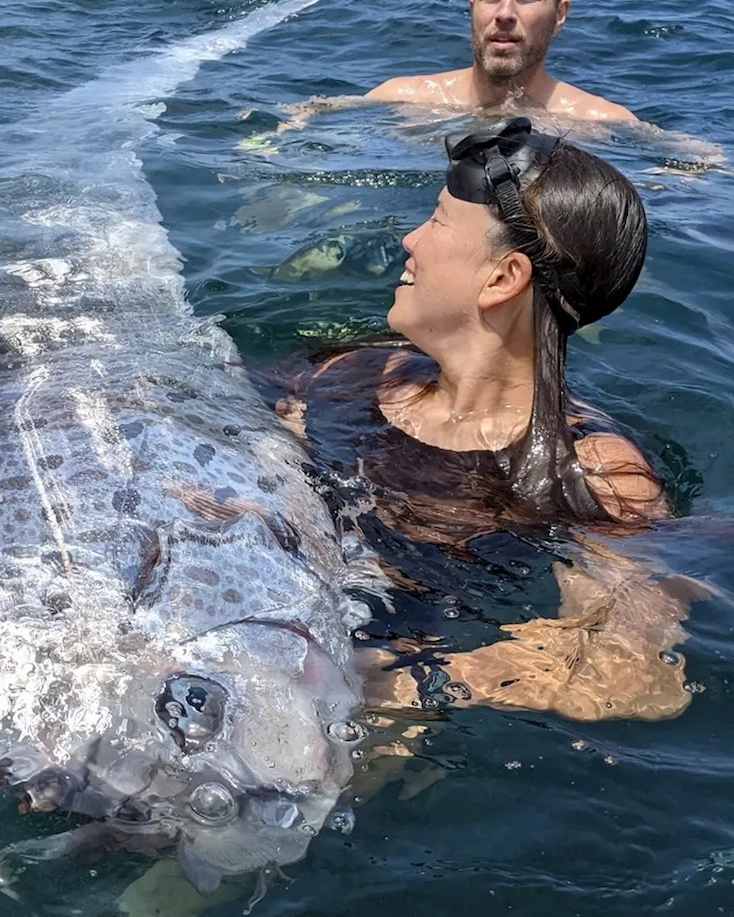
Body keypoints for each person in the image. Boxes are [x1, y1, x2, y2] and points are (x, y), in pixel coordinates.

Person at [273, 118, 695, 723]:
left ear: (503, 279)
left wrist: (399, 684)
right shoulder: (352, 373)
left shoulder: (593, 473)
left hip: (385, 682)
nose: (410, 241)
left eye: (439, 221)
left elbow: (632, 674)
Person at [280, 0, 639, 131]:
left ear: (560, 14)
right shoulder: (406, 98)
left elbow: (687, 163)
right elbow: (314, 112)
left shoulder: (597, 123)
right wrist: (283, 130)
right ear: (472, 9)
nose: (504, 12)